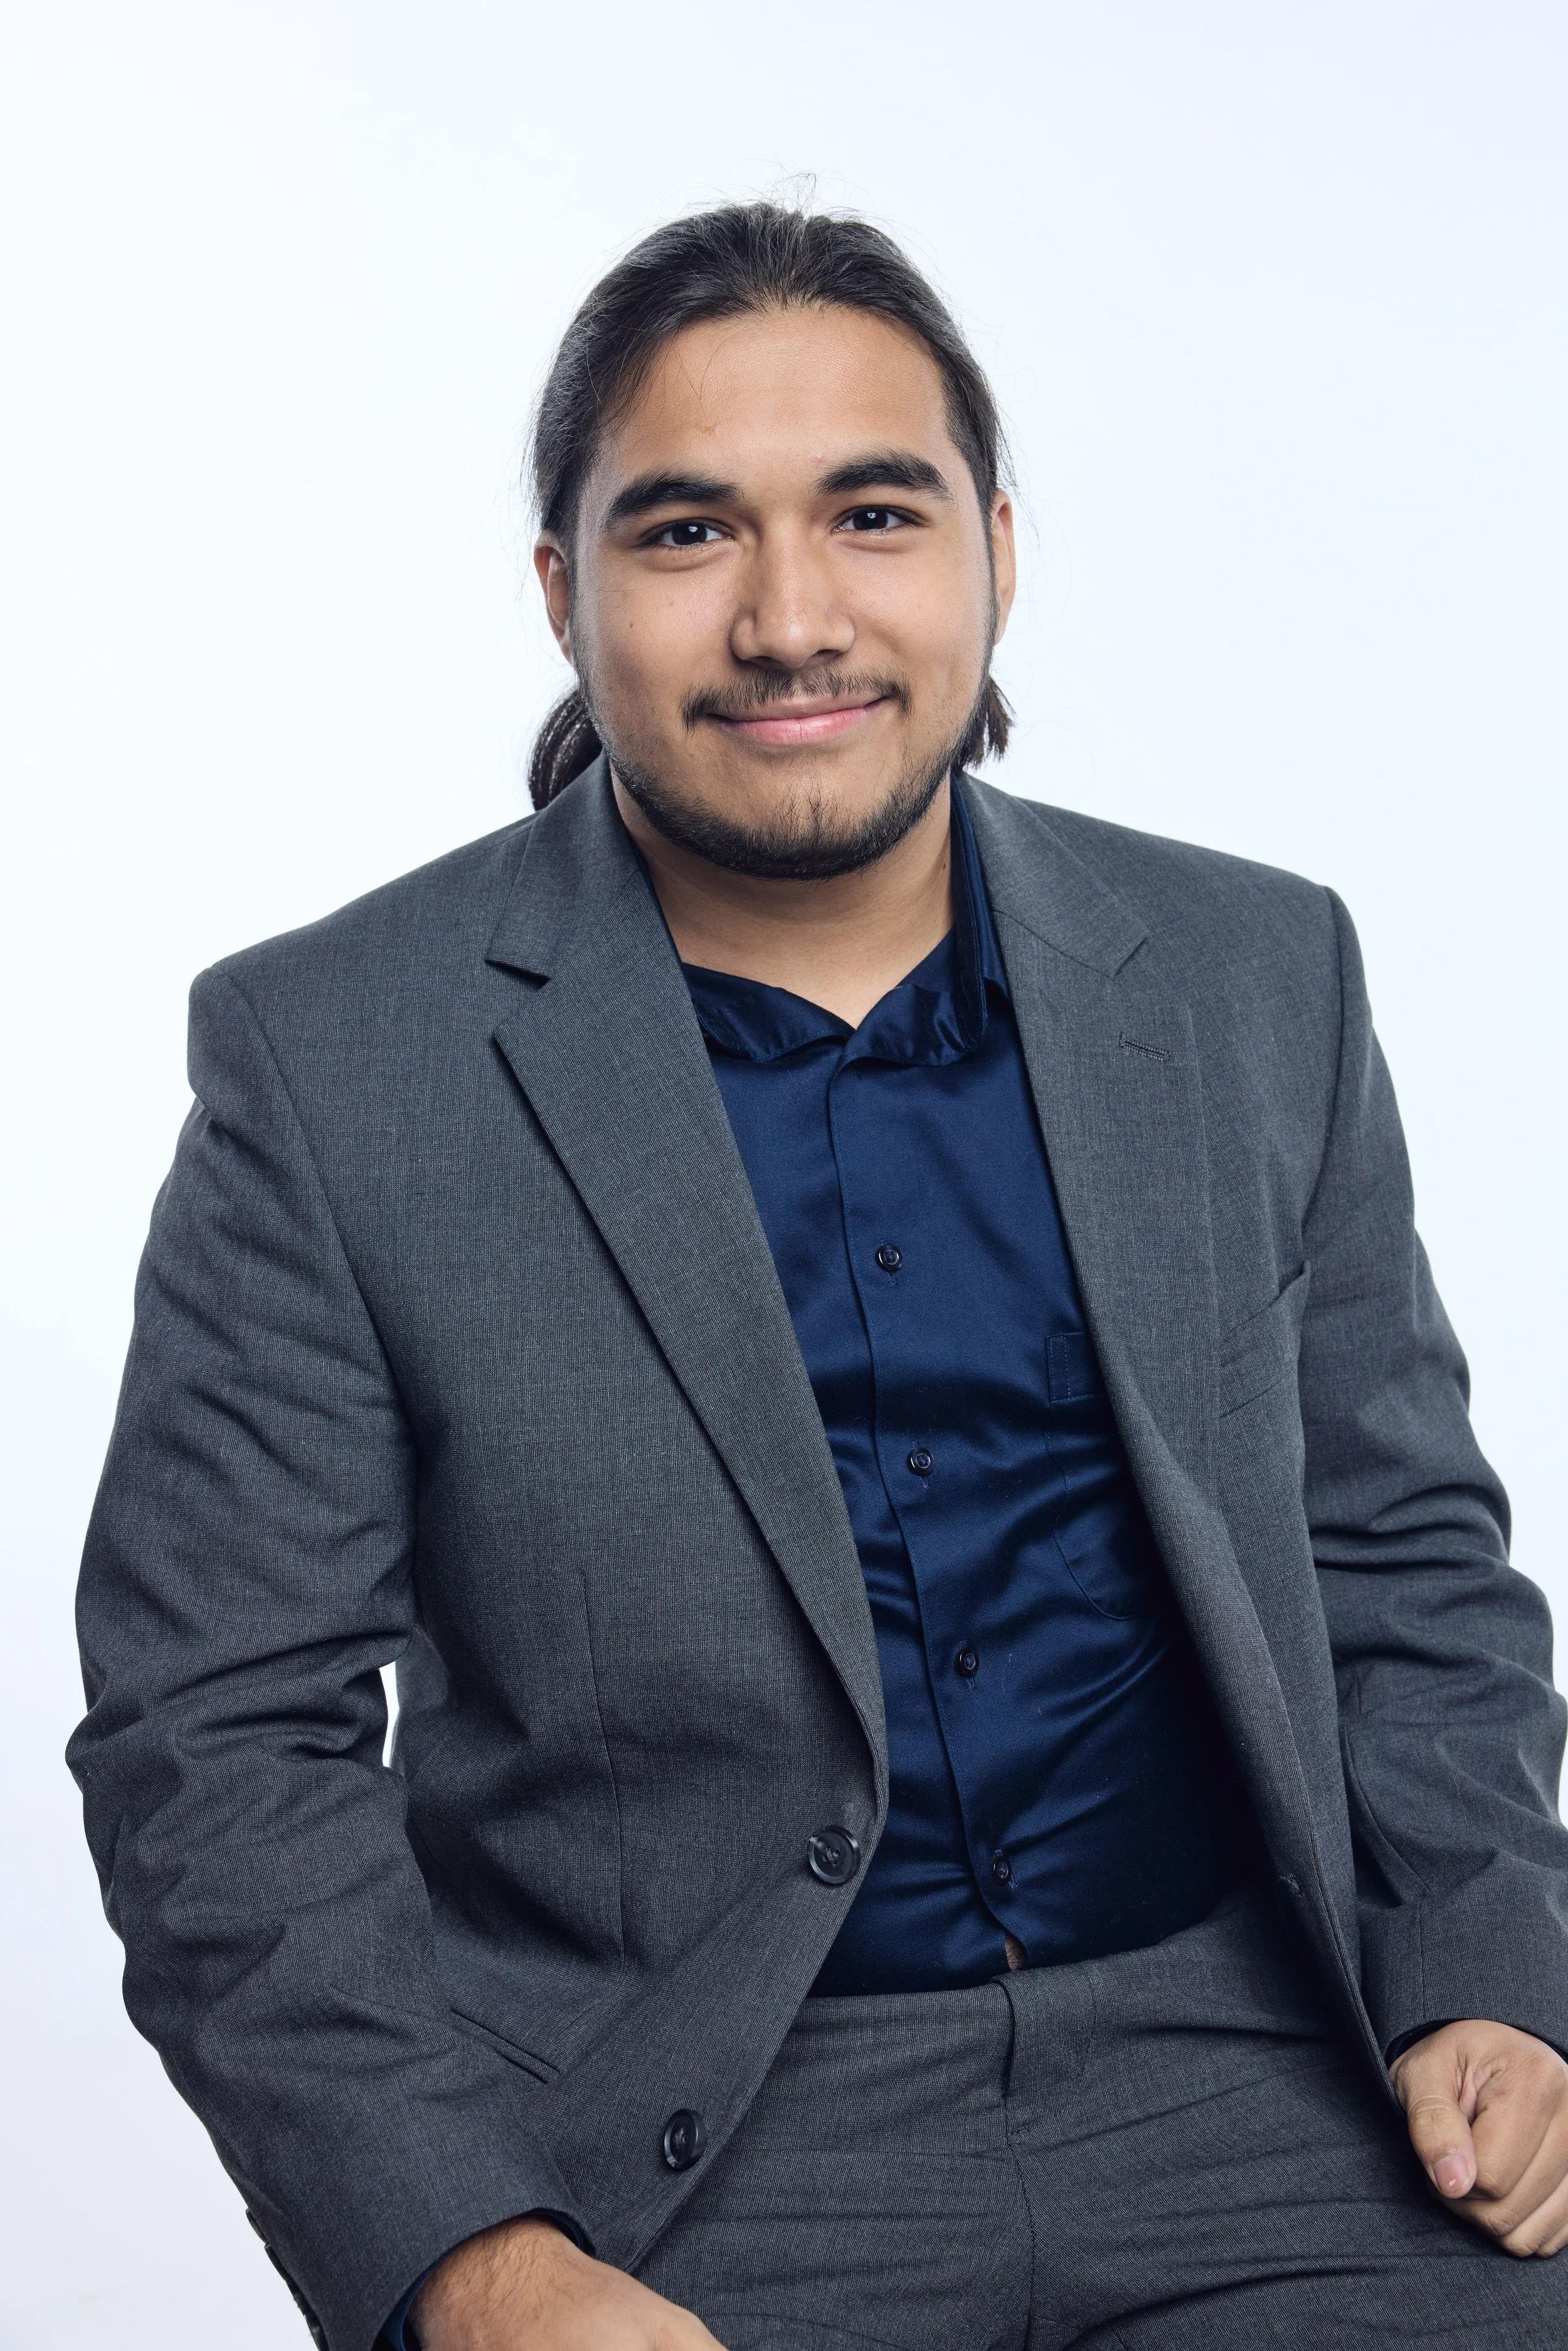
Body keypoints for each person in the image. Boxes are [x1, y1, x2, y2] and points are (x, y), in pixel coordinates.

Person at [70, 202, 1568, 2351]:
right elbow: (214, 1734)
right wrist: (468, 2259)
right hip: (682, 2166)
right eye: (685, 534)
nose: (791, 618)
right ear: (561, 593)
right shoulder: (336, 1057)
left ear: (995, 551)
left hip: (1263, 2092)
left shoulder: (1253, 974)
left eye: (872, 513)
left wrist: (1489, 1961)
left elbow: (1400, 1546)